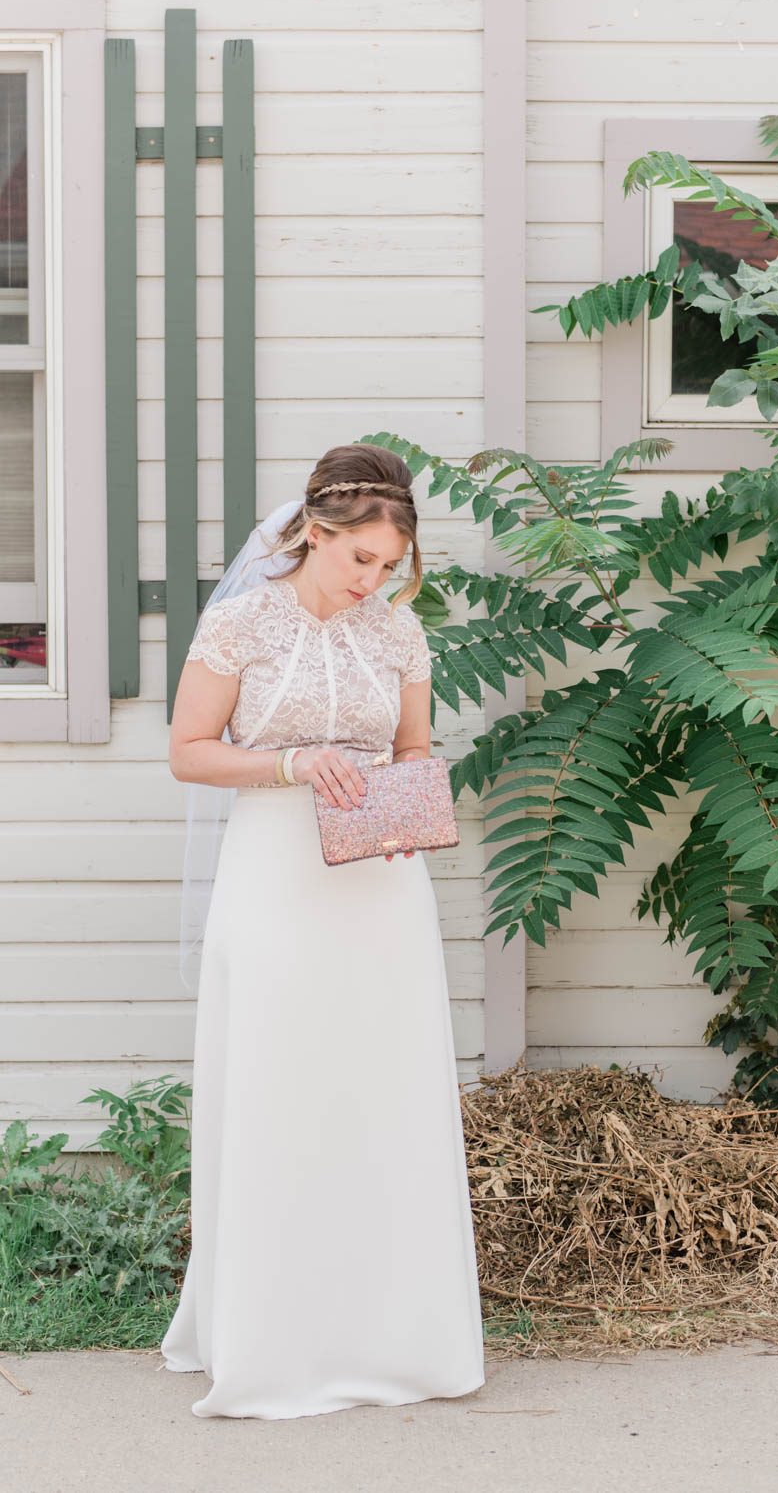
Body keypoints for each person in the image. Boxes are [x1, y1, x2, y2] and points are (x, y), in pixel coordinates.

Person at [158, 443, 486, 1420]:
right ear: (313, 533)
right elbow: (187, 752)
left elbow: (415, 748)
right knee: (281, 1084)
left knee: (381, 1091)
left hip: (382, 882)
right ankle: (272, 1342)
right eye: (359, 562)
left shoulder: (398, 636)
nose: (373, 582)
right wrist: (294, 765)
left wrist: (409, 804)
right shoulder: (241, 625)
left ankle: (397, 1334)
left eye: (390, 566)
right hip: (273, 875)